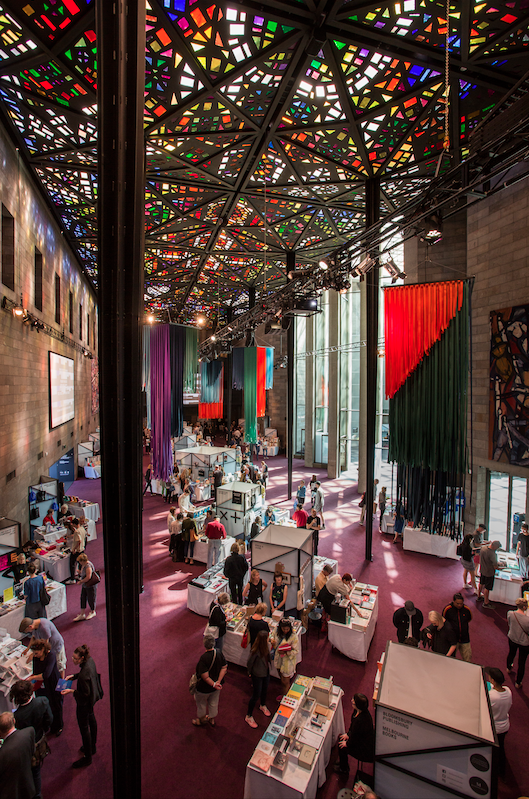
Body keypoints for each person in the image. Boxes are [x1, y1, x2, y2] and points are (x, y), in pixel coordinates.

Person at [61, 644, 103, 768]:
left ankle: (88, 757)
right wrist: (74, 677)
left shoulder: (84, 676)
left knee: (84, 728)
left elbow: (84, 694)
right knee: (92, 719)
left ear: (82, 658)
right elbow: (86, 673)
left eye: (75, 659)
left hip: (84, 704)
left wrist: (71, 691)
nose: (73, 660)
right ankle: (92, 746)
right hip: (92, 699)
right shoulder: (90, 661)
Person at [9, 680, 52, 799]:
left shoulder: (17, 716)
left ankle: (37, 795)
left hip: (27, 748)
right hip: (40, 739)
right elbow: (49, 720)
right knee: (36, 770)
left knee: (33, 771)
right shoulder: (42, 701)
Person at [28, 640, 63, 736]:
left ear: (43, 649)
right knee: (45, 705)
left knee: (56, 705)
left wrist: (33, 678)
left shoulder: (51, 655)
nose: (35, 655)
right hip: (42, 686)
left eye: (36, 653)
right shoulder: (36, 658)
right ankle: (48, 723)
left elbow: (46, 675)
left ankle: (58, 726)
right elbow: (36, 671)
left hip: (53, 683)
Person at [334, 693, 375, 775]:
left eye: (354, 701)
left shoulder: (362, 720)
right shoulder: (357, 712)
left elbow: (356, 737)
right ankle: (343, 763)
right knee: (342, 738)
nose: (351, 701)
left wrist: (347, 744)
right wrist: (348, 734)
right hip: (357, 739)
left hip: (363, 747)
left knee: (342, 746)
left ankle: (344, 769)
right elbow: (352, 728)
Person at [192, 635, 228, 728]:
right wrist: (218, 682)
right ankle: (212, 718)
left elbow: (205, 676)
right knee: (214, 703)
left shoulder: (204, 658)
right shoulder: (219, 652)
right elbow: (224, 667)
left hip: (204, 688)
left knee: (201, 704)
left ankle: (202, 720)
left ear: (204, 644)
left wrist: (213, 684)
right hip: (216, 687)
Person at [0, 712, 35, 799]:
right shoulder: (29, 732)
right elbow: (32, 751)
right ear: (14, 721)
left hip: (12, 793)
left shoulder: (2, 753)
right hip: (28, 785)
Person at [485, 667, 512, 776]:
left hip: (494, 728)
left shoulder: (492, 696)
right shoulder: (508, 691)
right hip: (505, 726)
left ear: (492, 680)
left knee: (493, 751)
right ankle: (502, 772)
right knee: (501, 749)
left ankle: (494, 772)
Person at [245, 630, 271, 728]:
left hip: (266, 673)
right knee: (256, 694)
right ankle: (249, 715)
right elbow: (249, 663)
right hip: (257, 674)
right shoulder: (255, 650)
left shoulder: (266, 647)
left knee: (265, 690)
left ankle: (262, 705)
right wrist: (250, 673)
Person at [271, 618, 299, 696]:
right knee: (281, 678)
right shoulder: (277, 630)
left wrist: (286, 653)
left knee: (286, 681)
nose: (285, 631)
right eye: (283, 629)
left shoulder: (293, 636)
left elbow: (296, 651)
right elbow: (272, 635)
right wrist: (272, 640)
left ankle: (285, 697)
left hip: (288, 663)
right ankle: (284, 693)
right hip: (278, 659)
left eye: (287, 629)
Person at [506, 597, 529, 689]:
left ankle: (508, 668)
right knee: (522, 662)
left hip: (512, 638)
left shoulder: (510, 613)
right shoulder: (527, 620)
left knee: (511, 653)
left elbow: (509, 624)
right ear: (524, 607)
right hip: (524, 643)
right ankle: (518, 682)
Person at [443, 593, 473, 662]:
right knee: (451, 659)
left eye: (461, 603)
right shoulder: (447, 609)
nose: (459, 605)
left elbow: (469, 619)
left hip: (465, 638)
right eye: (457, 603)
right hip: (453, 639)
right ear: (453, 602)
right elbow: (444, 621)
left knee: (468, 658)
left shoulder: (467, 609)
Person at [477, 540, 502, 608]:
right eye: (497, 548)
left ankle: (479, 596)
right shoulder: (492, 554)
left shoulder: (483, 548)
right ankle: (486, 602)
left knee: (481, 583)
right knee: (487, 587)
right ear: (495, 546)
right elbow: (495, 567)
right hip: (489, 572)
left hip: (482, 570)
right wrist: (501, 567)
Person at [74, 552, 98, 621]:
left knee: (91, 598)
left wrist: (81, 581)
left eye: (79, 561)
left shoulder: (88, 566)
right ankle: (82, 614)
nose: (79, 563)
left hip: (90, 585)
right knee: (83, 598)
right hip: (85, 585)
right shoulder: (84, 565)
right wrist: (80, 572)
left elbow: (88, 577)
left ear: (82, 561)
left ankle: (93, 612)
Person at [66, 517, 86, 583]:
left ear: (74, 524)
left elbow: (79, 541)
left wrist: (74, 549)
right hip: (82, 548)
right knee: (80, 563)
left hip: (77, 550)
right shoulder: (82, 528)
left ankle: (72, 579)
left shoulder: (77, 531)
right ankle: (80, 575)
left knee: (72, 564)